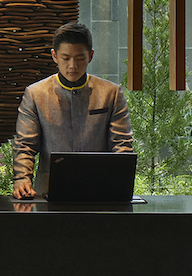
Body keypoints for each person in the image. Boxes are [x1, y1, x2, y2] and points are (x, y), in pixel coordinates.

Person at [12, 21, 134, 198]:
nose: (72, 66)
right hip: (48, 191)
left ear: (90, 56)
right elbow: (25, 145)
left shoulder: (111, 93)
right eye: (66, 58)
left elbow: (122, 145)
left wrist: (119, 182)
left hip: (99, 190)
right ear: (54, 55)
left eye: (79, 58)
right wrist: (22, 178)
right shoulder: (35, 94)